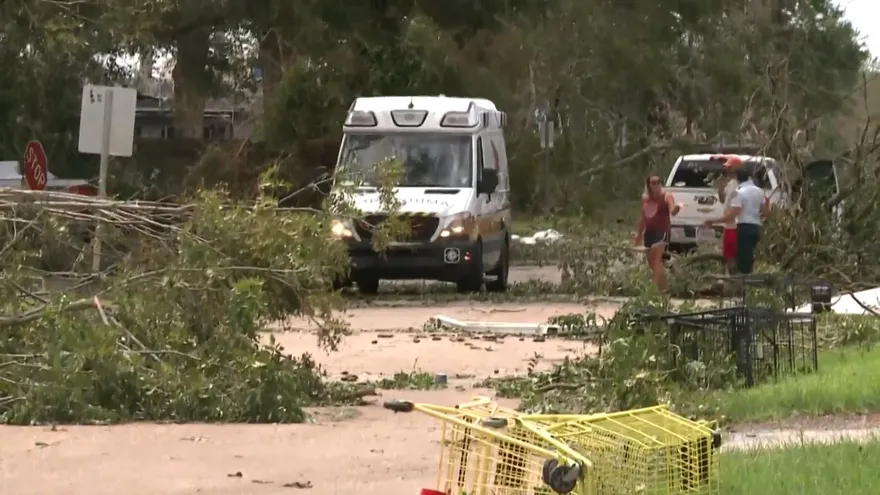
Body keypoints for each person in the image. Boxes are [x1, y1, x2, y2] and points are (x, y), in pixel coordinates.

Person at [704, 167, 770, 274]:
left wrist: (713, 221)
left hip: (743, 228)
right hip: (756, 228)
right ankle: (750, 284)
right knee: (750, 259)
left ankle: (742, 285)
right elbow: (766, 213)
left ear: (738, 179)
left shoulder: (739, 192)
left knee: (742, 261)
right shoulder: (759, 191)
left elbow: (733, 214)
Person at [632, 176, 683, 291]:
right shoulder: (645, 199)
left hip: (662, 231)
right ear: (649, 185)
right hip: (649, 232)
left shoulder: (666, 196)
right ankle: (664, 288)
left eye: (659, 182)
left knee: (656, 258)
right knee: (652, 261)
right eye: (653, 183)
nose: (657, 185)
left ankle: (654, 291)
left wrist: (677, 207)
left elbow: (672, 211)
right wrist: (638, 234)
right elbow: (642, 217)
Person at [712, 155, 743, 274]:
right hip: (727, 227)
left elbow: (734, 211)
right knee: (727, 257)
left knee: (731, 259)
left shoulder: (736, 187)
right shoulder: (729, 184)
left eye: (729, 168)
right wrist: (720, 190)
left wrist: (714, 221)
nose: (726, 171)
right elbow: (723, 200)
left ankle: (734, 285)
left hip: (733, 228)